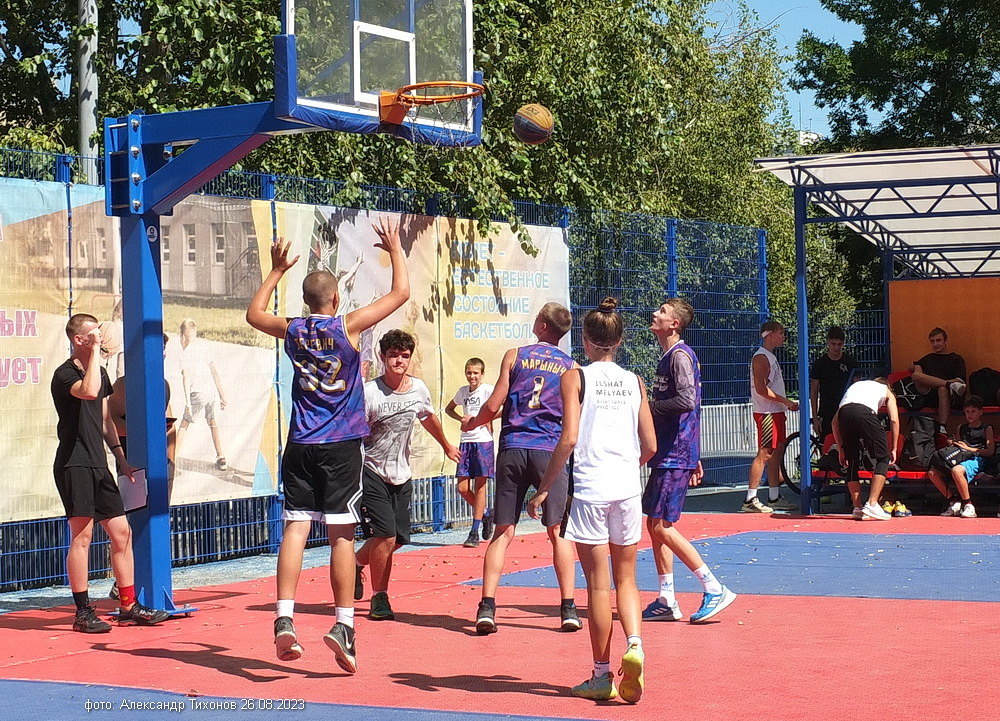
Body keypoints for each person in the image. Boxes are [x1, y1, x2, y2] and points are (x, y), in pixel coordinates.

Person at [245, 217, 408, 674]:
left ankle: (283, 617)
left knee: (295, 529)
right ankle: (343, 625)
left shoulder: (294, 329)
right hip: (340, 445)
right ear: (336, 299)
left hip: (301, 443)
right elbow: (400, 294)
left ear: (306, 301)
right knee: (342, 535)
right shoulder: (347, 326)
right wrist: (395, 249)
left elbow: (254, 315)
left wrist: (276, 271)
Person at [527, 297, 655, 703]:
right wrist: (628, 465)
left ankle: (601, 675)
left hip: (590, 489)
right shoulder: (635, 381)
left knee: (598, 586)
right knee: (627, 579)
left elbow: (569, 437)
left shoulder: (575, 377)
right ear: (619, 339)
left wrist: (544, 487)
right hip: (626, 488)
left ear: (584, 339)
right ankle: (635, 645)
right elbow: (650, 445)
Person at [462, 302, 581, 635]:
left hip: (514, 447)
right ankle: (568, 608)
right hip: (549, 452)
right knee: (557, 532)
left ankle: (487, 607)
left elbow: (493, 403)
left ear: (542, 325)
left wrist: (476, 422)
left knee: (503, 532)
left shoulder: (515, 356)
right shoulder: (571, 367)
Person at [51, 314, 171, 633]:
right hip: (74, 463)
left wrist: (121, 458)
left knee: (122, 532)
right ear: (78, 339)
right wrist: (94, 351)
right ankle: (82, 612)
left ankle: (128, 605)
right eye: (92, 333)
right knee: (83, 536)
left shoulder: (100, 373)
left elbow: (104, 416)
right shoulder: (64, 374)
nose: (100, 336)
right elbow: (89, 391)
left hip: (98, 464)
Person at [639, 299, 737, 624]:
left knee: (661, 526)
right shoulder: (671, 356)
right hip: (673, 451)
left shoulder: (679, 356)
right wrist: (694, 453)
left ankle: (713, 587)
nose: (655, 314)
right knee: (654, 524)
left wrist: (648, 408)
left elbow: (686, 400)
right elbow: (691, 409)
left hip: (674, 453)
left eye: (662, 312)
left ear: (675, 324)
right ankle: (666, 599)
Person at [354, 329, 460, 621]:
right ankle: (380, 598)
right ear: (382, 357)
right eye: (393, 355)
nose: (399, 361)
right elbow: (355, 434)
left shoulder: (418, 389)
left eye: (404, 355)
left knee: (399, 539)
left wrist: (446, 445)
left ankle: (356, 563)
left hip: (402, 474)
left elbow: (428, 417)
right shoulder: (370, 393)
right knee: (385, 536)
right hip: (371, 470)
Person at [744, 321, 799, 513]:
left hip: (775, 412)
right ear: (769, 335)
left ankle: (774, 496)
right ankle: (750, 498)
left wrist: (783, 403)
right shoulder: (761, 357)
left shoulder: (770, 356)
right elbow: (761, 389)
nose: (783, 337)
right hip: (767, 413)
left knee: (777, 451)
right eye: (780, 333)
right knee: (765, 453)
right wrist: (786, 401)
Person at [831, 376, 900, 521]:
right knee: (883, 458)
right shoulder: (886, 390)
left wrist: (841, 449)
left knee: (852, 461)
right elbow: (894, 420)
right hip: (864, 413)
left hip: (844, 413)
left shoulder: (857, 386)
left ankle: (857, 507)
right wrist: (894, 447)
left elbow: (834, 423)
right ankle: (872, 504)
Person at [445, 357, 497, 548]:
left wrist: (485, 419)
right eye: (469, 372)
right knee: (462, 488)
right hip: (466, 441)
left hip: (483, 441)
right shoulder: (462, 392)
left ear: (482, 374)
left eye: (476, 373)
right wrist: (462, 419)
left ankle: (474, 532)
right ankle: (485, 514)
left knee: (480, 485)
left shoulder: (488, 390)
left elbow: (502, 407)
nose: (472, 376)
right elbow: (449, 409)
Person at [926, 395, 993, 519]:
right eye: (967, 412)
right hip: (960, 457)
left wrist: (969, 449)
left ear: (981, 412)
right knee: (932, 472)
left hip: (977, 459)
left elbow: (990, 451)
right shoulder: (961, 427)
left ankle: (968, 505)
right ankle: (953, 502)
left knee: (957, 471)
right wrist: (953, 443)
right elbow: (958, 445)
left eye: (973, 411)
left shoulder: (986, 428)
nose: (970, 415)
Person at [175, 318, 228, 472]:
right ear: (195, 333)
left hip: (197, 393)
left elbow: (186, 377)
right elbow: (214, 373)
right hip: (210, 392)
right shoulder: (204, 349)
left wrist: (188, 402)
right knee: (212, 422)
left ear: (182, 336)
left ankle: (171, 459)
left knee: (184, 424)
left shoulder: (184, 354)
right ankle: (221, 456)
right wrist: (222, 395)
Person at [910, 327, 967, 436]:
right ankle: (949, 385)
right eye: (932, 341)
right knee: (916, 375)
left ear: (945, 341)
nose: (935, 344)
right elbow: (913, 370)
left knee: (942, 389)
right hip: (928, 394)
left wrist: (937, 383)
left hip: (949, 396)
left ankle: (942, 427)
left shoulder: (956, 359)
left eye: (938, 340)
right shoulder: (927, 359)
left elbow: (960, 381)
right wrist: (916, 366)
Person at [809, 326, 859, 440]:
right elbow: (814, 391)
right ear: (828, 342)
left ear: (843, 344)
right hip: (827, 412)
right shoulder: (820, 364)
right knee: (827, 443)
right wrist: (815, 418)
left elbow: (857, 386)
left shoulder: (851, 362)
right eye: (833, 344)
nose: (836, 347)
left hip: (847, 410)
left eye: (839, 344)